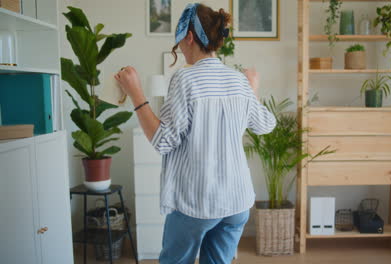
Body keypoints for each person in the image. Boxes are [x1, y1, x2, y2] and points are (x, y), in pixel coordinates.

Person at [115, 3, 276, 264]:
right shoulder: (238, 80)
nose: (179, 48)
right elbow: (266, 124)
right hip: (237, 202)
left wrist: (136, 95)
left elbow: (163, 141)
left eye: (179, 41)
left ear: (189, 37)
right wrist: (253, 89)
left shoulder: (185, 79)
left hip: (197, 202)